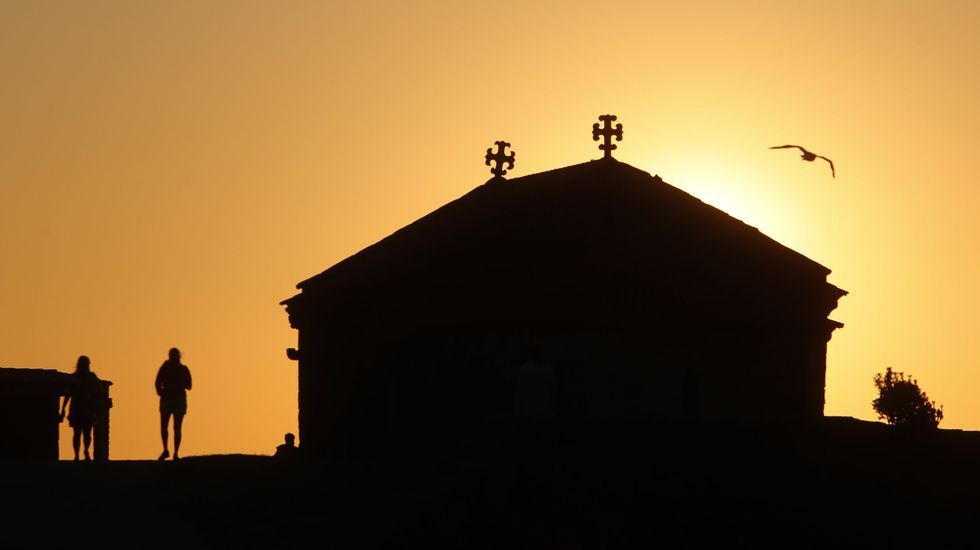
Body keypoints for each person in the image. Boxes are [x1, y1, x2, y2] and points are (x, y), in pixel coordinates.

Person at [59, 356, 101, 461]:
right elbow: (68, 394)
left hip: (87, 410)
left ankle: (85, 451)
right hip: (77, 410)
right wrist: (63, 408)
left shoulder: (92, 378)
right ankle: (77, 455)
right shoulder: (74, 378)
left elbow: (98, 390)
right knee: (77, 433)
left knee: (86, 434)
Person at [155, 347, 192, 461]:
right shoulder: (176, 368)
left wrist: (161, 392)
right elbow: (189, 386)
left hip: (174, 400)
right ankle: (170, 451)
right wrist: (161, 393)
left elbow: (189, 385)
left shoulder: (170, 368)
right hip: (173, 400)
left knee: (172, 427)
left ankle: (171, 451)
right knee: (173, 427)